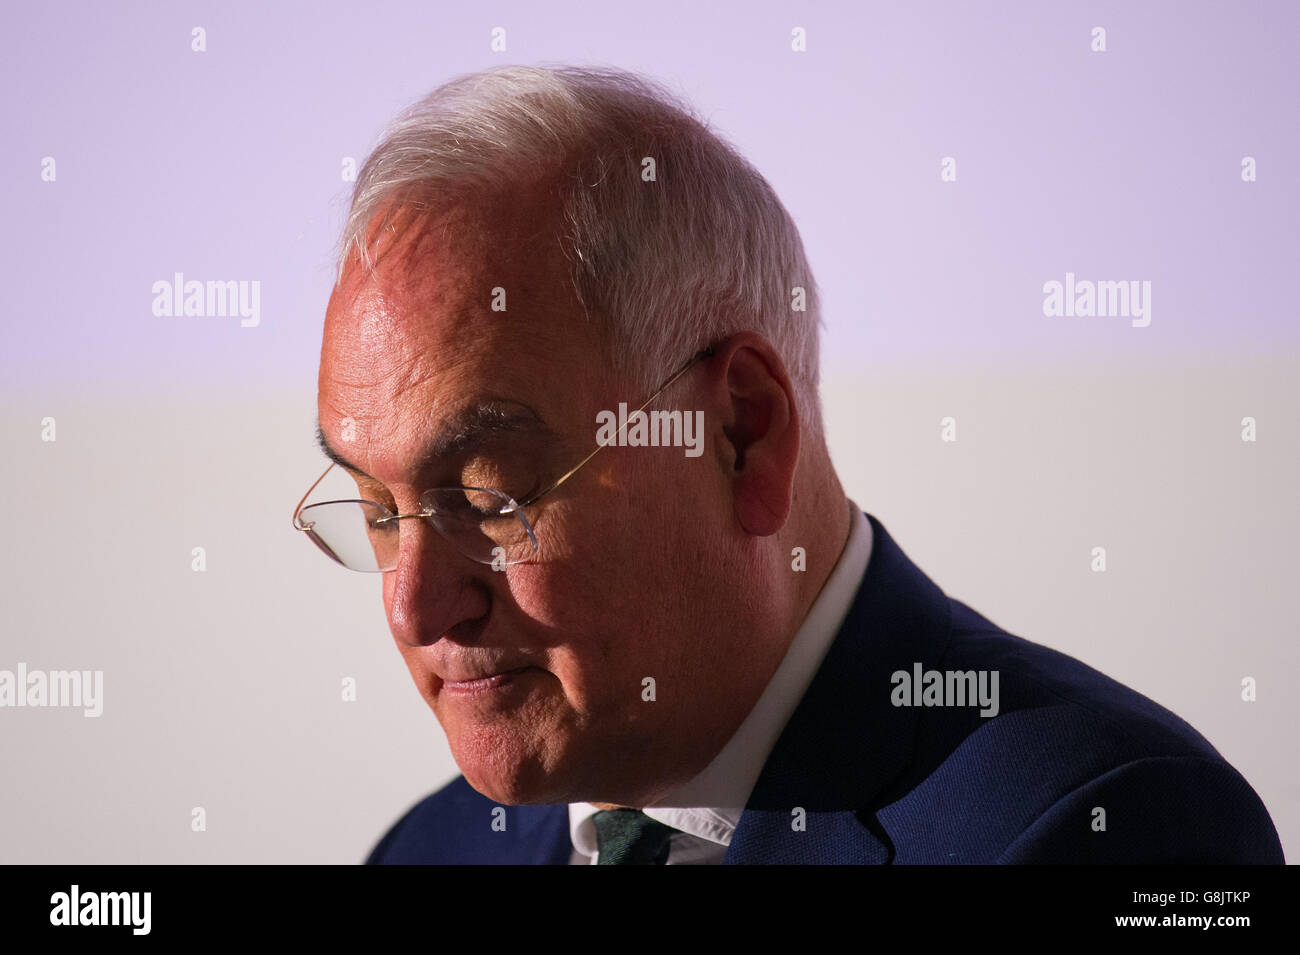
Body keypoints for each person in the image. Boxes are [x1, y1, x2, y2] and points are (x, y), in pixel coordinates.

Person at [293, 65, 1284, 864]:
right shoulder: (429, 851)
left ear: (741, 433)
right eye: (377, 509)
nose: (413, 609)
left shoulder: (1108, 827)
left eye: (489, 496)